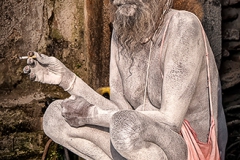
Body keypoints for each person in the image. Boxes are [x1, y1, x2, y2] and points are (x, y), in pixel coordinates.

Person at [23, 0, 228, 159]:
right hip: (135, 142)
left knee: (125, 127)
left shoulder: (184, 25)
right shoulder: (123, 31)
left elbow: (171, 121)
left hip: (185, 150)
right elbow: (116, 110)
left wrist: (90, 115)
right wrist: (67, 80)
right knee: (54, 117)